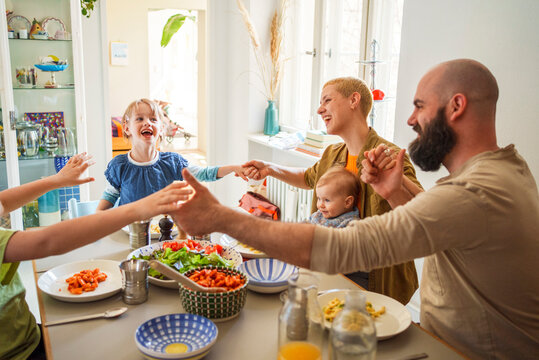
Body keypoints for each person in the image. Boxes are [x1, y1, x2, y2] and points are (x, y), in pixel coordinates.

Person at [170, 59, 539, 359]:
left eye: (420, 106)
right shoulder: (504, 170)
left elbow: (346, 246)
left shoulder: (476, 191)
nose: (411, 120)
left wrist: (220, 217)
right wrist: (395, 191)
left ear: (456, 106)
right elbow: (431, 223)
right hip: (439, 342)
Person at [243, 77, 420, 304]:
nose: (319, 109)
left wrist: (394, 187)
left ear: (353, 100)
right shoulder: (332, 153)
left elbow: (420, 216)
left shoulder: (390, 157)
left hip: (373, 279)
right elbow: (308, 177)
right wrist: (270, 168)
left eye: (327, 100)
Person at [0, 153, 190, 360]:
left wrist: (57, 180)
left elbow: (2, 201)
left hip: (28, 336)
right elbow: (45, 242)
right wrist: (138, 208)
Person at [97, 98, 248, 210]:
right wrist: (99, 219)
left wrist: (233, 168)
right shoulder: (119, 166)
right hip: (131, 232)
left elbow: (203, 173)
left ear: (161, 129)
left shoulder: (171, 162)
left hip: (165, 232)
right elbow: (108, 200)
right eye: (140, 118)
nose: (147, 123)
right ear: (127, 128)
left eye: (153, 119)